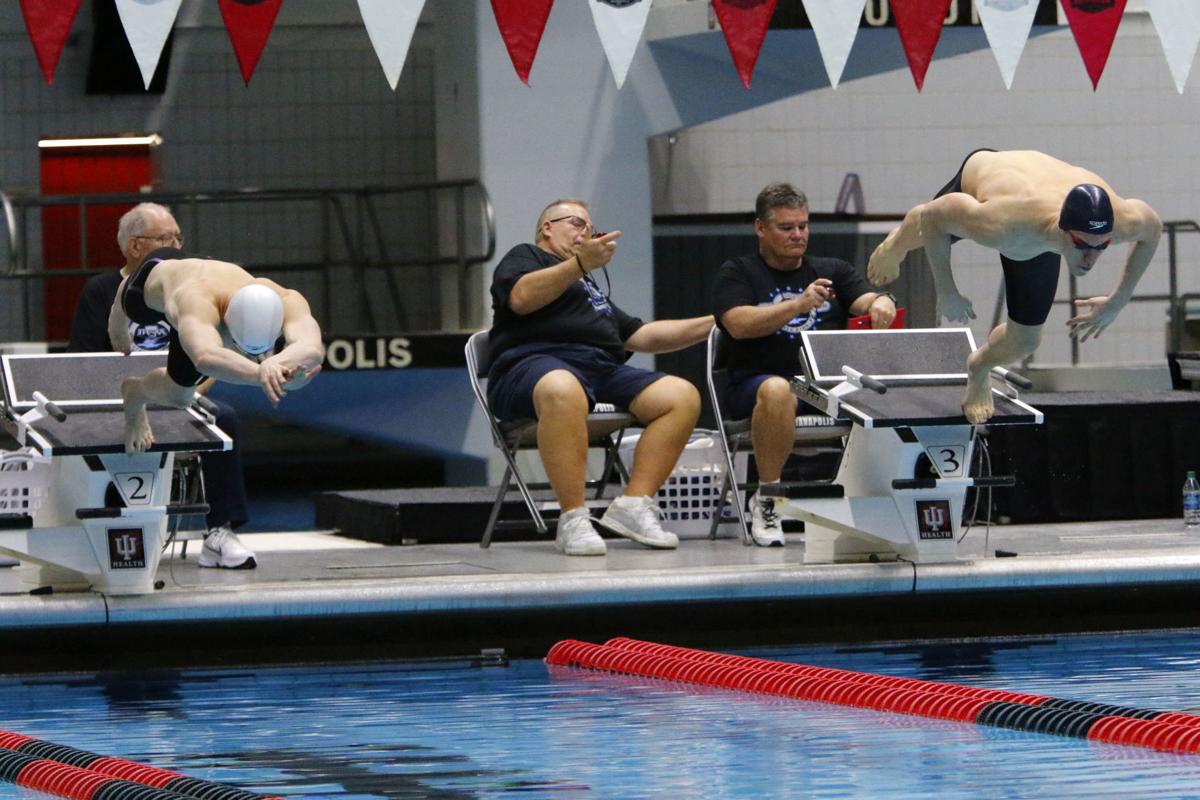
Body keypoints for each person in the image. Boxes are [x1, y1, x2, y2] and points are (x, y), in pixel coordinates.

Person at [867, 149, 1162, 424]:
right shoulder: (1001, 224)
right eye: (1083, 245)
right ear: (1063, 233)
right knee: (923, 226)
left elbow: (1153, 228)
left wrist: (1118, 300)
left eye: (1103, 246)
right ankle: (894, 246)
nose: (1091, 258)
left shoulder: (1122, 220)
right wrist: (947, 291)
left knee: (1026, 341)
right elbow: (933, 216)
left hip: (1043, 207)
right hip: (991, 176)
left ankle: (979, 368)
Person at [487, 198, 713, 556]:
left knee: (681, 395)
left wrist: (717, 323)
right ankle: (573, 519)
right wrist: (578, 264)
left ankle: (634, 505)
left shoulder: (589, 287)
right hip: (530, 366)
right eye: (577, 223)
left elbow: (643, 337)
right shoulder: (526, 257)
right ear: (548, 227)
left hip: (599, 369)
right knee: (563, 387)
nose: (586, 232)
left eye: (590, 228)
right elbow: (521, 298)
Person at [69, 203, 261, 569]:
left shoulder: (189, 288)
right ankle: (97, 528)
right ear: (135, 246)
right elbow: (86, 360)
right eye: (165, 238)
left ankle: (219, 533)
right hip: (124, 399)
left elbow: (213, 348)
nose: (176, 245)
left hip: (182, 392)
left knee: (225, 419)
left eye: (178, 237)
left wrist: (190, 392)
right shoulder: (102, 291)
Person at [712, 183, 898, 547]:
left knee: (883, 391)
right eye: (786, 227)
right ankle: (767, 497)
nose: (798, 235)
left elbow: (864, 298)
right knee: (778, 390)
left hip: (824, 387)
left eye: (803, 226)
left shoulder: (832, 269)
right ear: (760, 228)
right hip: (756, 385)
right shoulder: (737, 272)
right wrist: (798, 305)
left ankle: (878, 504)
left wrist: (882, 302)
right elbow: (737, 324)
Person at [109, 239, 324, 468]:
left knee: (179, 397)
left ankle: (135, 390)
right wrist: (262, 373)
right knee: (132, 303)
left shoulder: (286, 299)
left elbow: (312, 348)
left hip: (212, 283)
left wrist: (280, 368)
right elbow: (205, 357)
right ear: (226, 319)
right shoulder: (196, 302)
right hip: (161, 275)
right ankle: (118, 306)